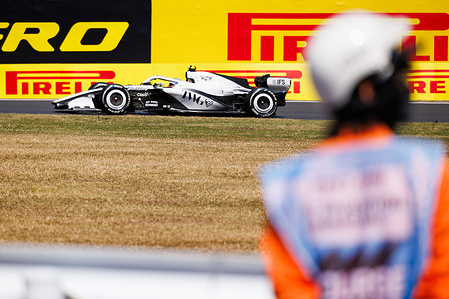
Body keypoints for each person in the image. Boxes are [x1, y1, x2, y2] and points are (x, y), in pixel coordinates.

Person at [259, 10, 449, 299]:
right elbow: (441, 281)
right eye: (398, 74)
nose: (404, 84)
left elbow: (290, 288)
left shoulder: (287, 187)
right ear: (368, 90)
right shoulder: (431, 172)